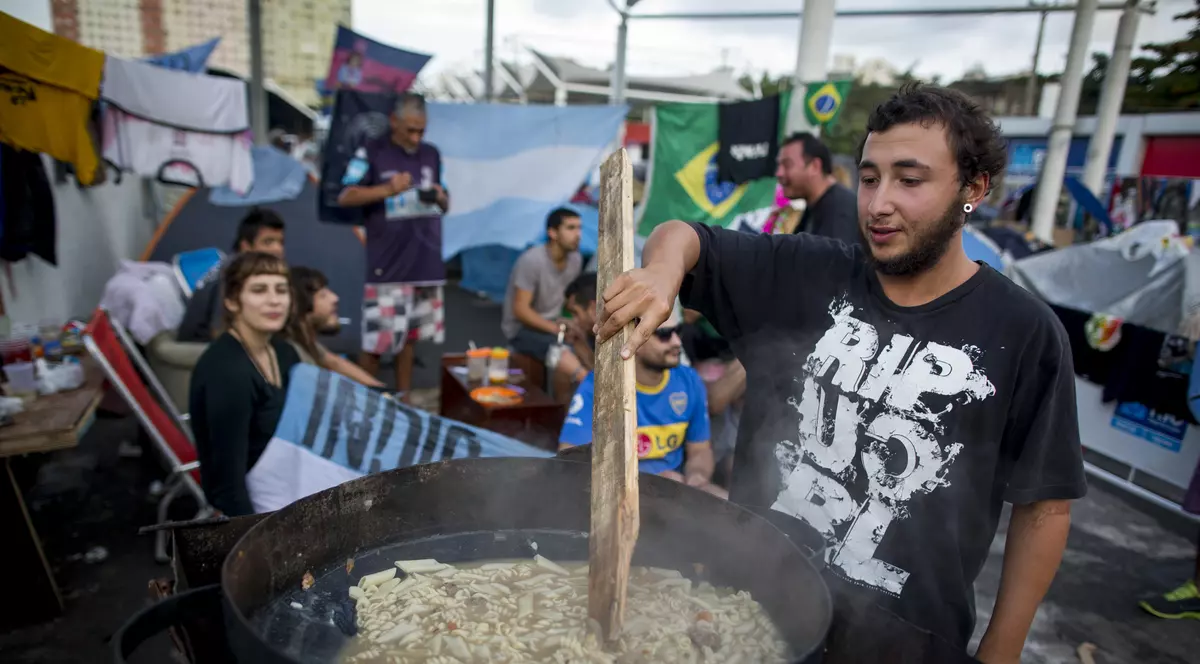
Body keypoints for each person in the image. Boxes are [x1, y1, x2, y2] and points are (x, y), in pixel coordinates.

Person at [593, 83, 1086, 662]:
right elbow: (685, 237)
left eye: (910, 179)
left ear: (972, 189)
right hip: (752, 608)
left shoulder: (1023, 331)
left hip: (905, 637)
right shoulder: (810, 271)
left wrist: (1002, 647)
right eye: (870, 177)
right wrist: (661, 272)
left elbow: (1046, 506)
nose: (878, 204)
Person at [337, 92, 449, 394]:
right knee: (377, 341)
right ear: (393, 121)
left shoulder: (431, 154)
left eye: (421, 130)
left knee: (409, 338)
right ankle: (362, 400)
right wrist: (388, 188)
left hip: (425, 260)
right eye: (410, 129)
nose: (416, 136)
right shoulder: (371, 151)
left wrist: (440, 196)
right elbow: (345, 195)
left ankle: (404, 400)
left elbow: (446, 202)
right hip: (388, 264)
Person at [559, 311, 724, 498]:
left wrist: (697, 475)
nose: (677, 342)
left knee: (728, 505)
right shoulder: (599, 386)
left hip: (675, 491)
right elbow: (570, 459)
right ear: (633, 340)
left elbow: (700, 449)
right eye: (664, 334)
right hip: (618, 497)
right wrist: (648, 482)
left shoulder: (689, 380)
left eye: (679, 331)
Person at [189, 252, 301, 516]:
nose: (274, 300)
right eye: (259, 290)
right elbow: (227, 485)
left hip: (292, 485)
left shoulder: (284, 352)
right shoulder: (227, 373)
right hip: (255, 509)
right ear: (231, 301)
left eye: (281, 290)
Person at [501, 207, 586, 383]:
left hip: (552, 324)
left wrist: (576, 323)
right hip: (521, 330)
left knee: (585, 342)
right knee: (565, 353)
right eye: (571, 228)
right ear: (552, 233)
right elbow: (521, 310)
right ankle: (570, 400)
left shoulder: (575, 259)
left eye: (579, 228)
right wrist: (556, 329)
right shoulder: (532, 260)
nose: (578, 234)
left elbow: (568, 302)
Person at [177, 208, 285, 342]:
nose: (277, 249)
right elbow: (219, 331)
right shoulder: (232, 275)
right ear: (246, 246)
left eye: (281, 242)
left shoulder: (237, 267)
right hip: (201, 349)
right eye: (268, 242)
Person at [287, 266, 384, 388]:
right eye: (322, 295)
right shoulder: (293, 354)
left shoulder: (305, 342)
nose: (334, 298)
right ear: (299, 305)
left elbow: (334, 361)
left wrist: (381, 390)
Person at [776, 132, 860, 246]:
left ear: (815, 166)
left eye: (787, 165)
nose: (779, 173)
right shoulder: (816, 205)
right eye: (779, 165)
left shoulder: (839, 212)